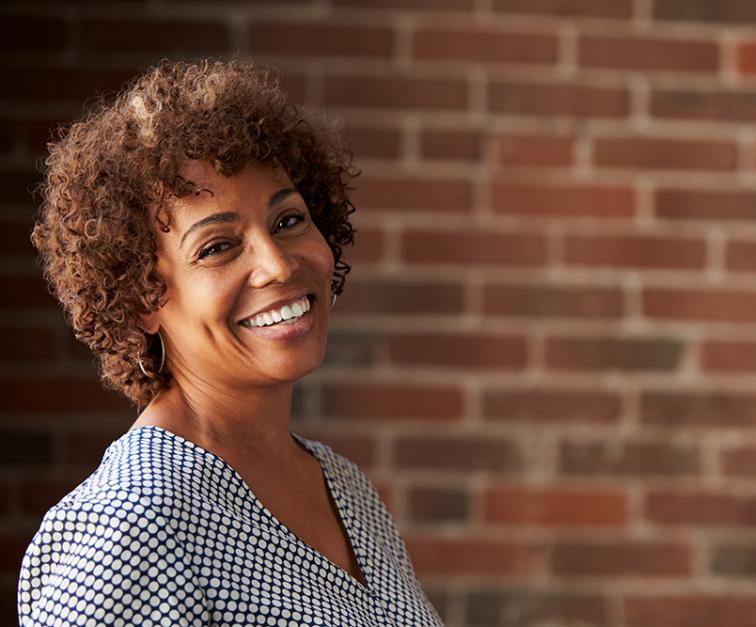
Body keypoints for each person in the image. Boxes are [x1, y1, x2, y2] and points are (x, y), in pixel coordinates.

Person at [17, 58, 444, 626]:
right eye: (217, 247)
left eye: (289, 221)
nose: (277, 265)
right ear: (142, 297)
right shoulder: (131, 524)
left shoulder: (344, 487)